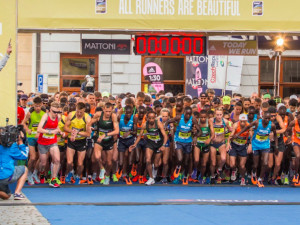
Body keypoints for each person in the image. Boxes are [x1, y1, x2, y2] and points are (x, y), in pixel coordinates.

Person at [234, 111, 278, 188]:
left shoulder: (272, 125)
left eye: (269, 119)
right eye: (266, 118)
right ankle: (253, 172)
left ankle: (260, 179)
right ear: (262, 117)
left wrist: (276, 146)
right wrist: (238, 134)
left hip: (265, 145)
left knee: (265, 163)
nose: (267, 120)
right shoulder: (257, 122)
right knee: (255, 165)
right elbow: (247, 127)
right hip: (256, 145)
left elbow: (275, 135)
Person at [129, 110, 168, 186]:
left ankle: (153, 170)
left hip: (159, 144)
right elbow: (140, 136)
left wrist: (163, 145)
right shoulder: (145, 125)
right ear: (147, 118)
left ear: (155, 118)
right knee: (147, 160)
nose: (151, 120)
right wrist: (134, 144)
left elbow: (165, 136)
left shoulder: (158, 124)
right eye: (149, 118)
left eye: (153, 118)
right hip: (150, 144)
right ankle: (151, 178)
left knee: (156, 164)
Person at [165, 106, 201, 185]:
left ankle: (185, 177)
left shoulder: (193, 119)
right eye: (186, 114)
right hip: (179, 141)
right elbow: (168, 121)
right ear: (184, 113)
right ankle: (178, 167)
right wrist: (165, 126)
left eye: (189, 114)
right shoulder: (179, 118)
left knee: (186, 161)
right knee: (180, 159)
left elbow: (200, 131)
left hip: (188, 142)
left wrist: (195, 137)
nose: (188, 116)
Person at [87, 102, 119, 185]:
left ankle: (107, 176)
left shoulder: (113, 116)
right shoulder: (98, 115)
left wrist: (105, 135)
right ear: (103, 109)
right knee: (97, 157)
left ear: (112, 110)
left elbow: (117, 130)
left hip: (109, 140)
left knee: (109, 162)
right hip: (99, 139)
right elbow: (89, 123)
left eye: (109, 111)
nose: (108, 113)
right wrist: (90, 127)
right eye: (106, 111)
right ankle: (101, 169)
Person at [64, 102, 91, 184]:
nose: (79, 114)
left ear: (84, 111)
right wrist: (72, 131)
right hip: (71, 141)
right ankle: (70, 172)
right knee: (69, 162)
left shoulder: (87, 118)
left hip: (81, 141)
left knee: (80, 164)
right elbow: (65, 127)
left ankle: (78, 177)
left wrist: (77, 133)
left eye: (81, 112)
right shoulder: (71, 115)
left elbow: (88, 133)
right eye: (78, 112)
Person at [37, 102, 62, 188]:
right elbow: (39, 129)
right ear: (50, 110)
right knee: (43, 162)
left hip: (52, 141)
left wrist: (60, 131)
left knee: (57, 160)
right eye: (54, 112)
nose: (56, 114)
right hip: (43, 142)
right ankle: (41, 172)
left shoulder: (58, 117)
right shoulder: (45, 116)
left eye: (57, 112)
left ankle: (53, 179)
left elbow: (56, 126)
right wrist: (50, 132)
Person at [22, 96, 45, 185]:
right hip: (31, 136)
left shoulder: (44, 113)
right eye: (35, 106)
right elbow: (23, 123)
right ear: (33, 105)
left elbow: (46, 125)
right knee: (33, 157)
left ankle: (35, 173)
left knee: (41, 157)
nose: (37, 108)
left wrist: (40, 133)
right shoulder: (29, 113)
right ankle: (28, 174)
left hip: (41, 137)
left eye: (39, 106)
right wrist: (27, 129)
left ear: (42, 104)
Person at [0, 127, 28, 200]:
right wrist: (21, 142)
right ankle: (17, 193)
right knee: (24, 169)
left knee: (7, 196)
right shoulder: (11, 147)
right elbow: (24, 155)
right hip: (5, 176)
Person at [227, 114, 250, 185]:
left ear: (246, 121)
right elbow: (231, 135)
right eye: (241, 121)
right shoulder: (236, 125)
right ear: (239, 121)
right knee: (232, 164)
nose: (242, 123)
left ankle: (243, 178)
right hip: (234, 145)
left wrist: (250, 145)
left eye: (244, 121)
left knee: (242, 166)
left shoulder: (249, 126)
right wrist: (228, 143)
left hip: (243, 146)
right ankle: (234, 170)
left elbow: (252, 136)